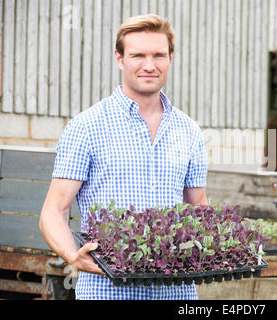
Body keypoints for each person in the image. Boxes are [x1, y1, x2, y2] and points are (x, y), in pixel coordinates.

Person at [39, 14, 208, 300]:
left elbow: (198, 205)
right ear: (119, 59)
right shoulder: (86, 126)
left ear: (170, 58)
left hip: (177, 293)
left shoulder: (189, 130)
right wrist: (73, 256)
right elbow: (53, 212)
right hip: (107, 292)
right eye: (137, 55)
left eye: (158, 55)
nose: (149, 65)